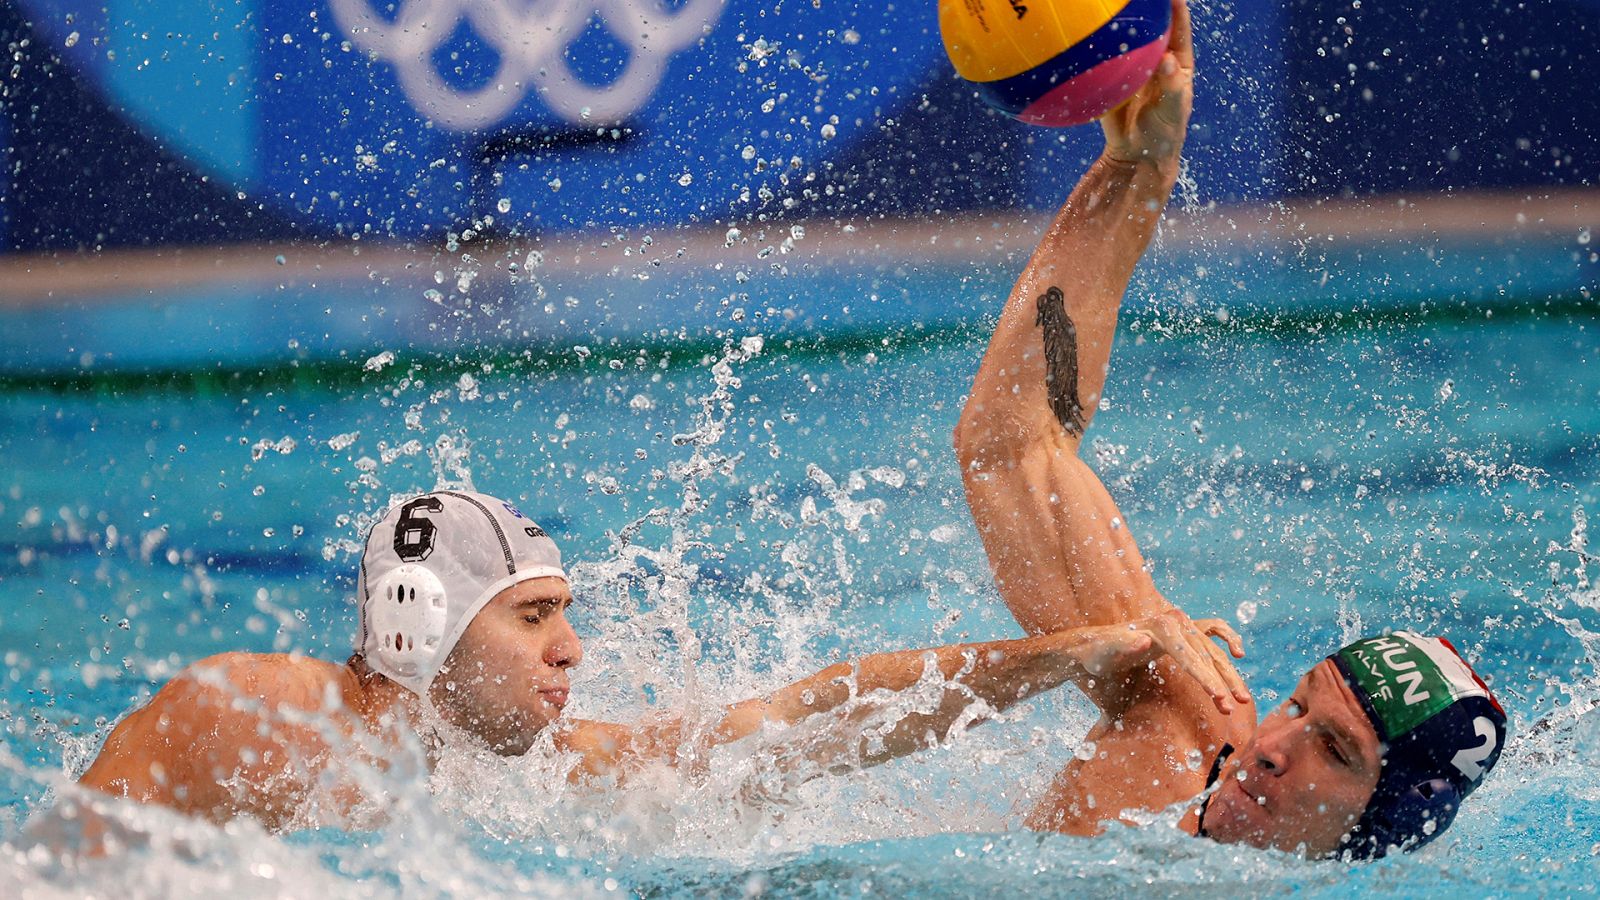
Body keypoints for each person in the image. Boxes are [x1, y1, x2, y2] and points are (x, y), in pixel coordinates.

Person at [953, 0, 1507, 859]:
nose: (1271, 748)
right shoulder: (1181, 730)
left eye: (1333, 750)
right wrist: (1138, 167)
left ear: (1380, 823)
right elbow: (1013, 445)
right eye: (1296, 705)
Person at [71, 489, 1248, 833]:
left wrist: (1061, 655)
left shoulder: (531, 774)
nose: (574, 650)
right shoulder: (254, 711)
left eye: (565, 615)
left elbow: (800, 724)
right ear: (419, 626)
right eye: (531, 619)